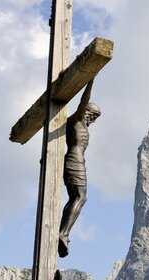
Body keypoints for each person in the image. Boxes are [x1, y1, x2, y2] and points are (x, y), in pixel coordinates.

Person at [58, 80, 101, 257]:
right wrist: (90, 78)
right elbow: (84, 99)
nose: (93, 120)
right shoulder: (76, 120)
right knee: (80, 197)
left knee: (75, 198)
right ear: (87, 111)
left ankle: (63, 231)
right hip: (75, 161)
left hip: (75, 161)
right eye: (93, 115)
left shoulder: (80, 124)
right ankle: (63, 233)